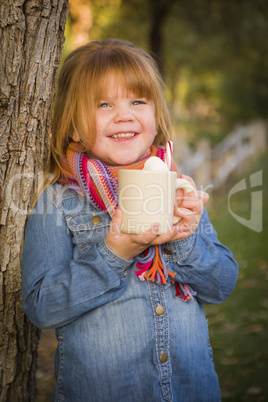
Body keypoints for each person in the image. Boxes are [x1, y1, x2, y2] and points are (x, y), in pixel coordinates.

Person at [22, 39, 239, 402]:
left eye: (137, 101)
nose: (123, 115)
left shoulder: (178, 190)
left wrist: (185, 240)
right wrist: (113, 253)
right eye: (103, 104)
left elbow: (222, 285)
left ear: (155, 119)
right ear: (74, 127)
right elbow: (42, 306)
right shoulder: (59, 201)